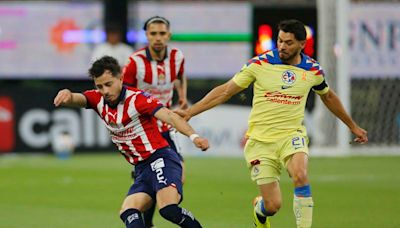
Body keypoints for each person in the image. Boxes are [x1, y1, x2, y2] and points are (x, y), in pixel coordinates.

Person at [175, 19, 368, 228]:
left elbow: (328, 97)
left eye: (289, 42)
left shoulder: (313, 70)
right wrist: (190, 112)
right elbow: (225, 91)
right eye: (280, 41)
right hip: (260, 141)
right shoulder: (259, 64)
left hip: (291, 135)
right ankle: (260, 210)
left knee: (301, 175)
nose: (282, 47)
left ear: (302, 44)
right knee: (273, 205)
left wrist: (352, 126)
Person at [53, 56, 208, 228]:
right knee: (128, 212)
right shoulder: (97, 100)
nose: (105, 90)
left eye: (109, 84)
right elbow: (77, 98)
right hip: (141, 169)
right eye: (100, 86)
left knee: (168, 209)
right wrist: (67, 94)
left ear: (120, 78)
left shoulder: (138, 99)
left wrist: (194, 137)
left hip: (161, 159)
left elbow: (170, 116)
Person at [122, 16, 188, 227]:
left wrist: (182, 96)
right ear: (146, 36)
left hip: (167, 124)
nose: (158, 38)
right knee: (158, 179)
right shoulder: (135, 62)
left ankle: (156, 214)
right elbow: (124, 94)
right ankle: (151, 218)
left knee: (180, 176)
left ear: (168, 35)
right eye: (153, 34)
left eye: (162, 33)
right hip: (145, 129)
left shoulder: (177, 57)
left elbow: (179, 76)